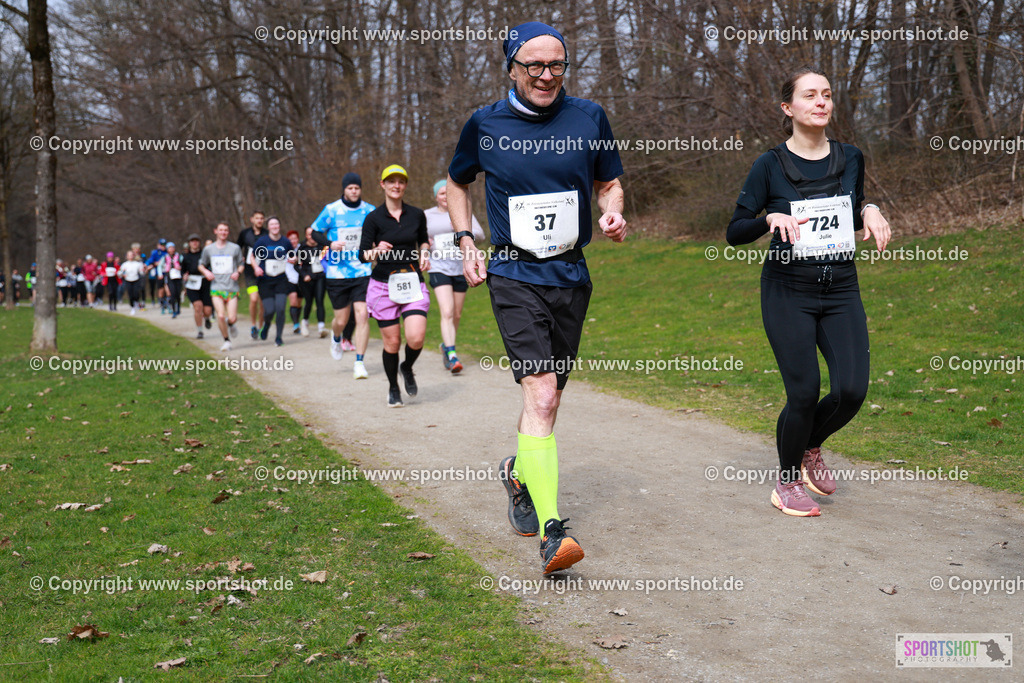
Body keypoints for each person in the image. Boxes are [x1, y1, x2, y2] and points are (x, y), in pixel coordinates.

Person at [448, 22, 627, 573]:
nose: (547, 76)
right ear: (512, 68)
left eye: (557, 65)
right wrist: (464, 241)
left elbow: (608, 182)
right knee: (542, 394)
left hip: (571, 274)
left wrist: (613, 210)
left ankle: (520, 472)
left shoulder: (589, 117)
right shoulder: (485, 124)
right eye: (535, 66)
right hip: (513, 272)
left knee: (549, 397)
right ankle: (553, 533)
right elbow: (457, 183)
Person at [727, 67, 891, 517]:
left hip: (840, 288)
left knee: (852, 390)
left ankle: (809, 445)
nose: (821, 102)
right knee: (803, 392)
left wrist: (871, 209)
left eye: (827, 95)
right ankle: (786, 482)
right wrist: (768, 220)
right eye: (809, 96)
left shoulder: (851, 156)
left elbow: (850, 210)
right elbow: (735, 231)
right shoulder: (769, 165)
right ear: (788, 108)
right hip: (787, 291)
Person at [359, 164, 430, 406]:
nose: (396, 185)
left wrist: (425, 253)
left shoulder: (416, 214)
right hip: (382, 286)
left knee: (416, 337)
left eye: (400, 181)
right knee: (392, 342)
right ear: (383, 185)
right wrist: (376, 250)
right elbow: (362, 255)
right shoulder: (373, 218)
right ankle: (393, 387)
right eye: (391, 181)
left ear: (405, 185)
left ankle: (407, 366)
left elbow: (423, 241)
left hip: (411, 281)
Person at [310, 172, 375, 379]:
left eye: (357, 188)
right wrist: (330, 244)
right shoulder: (332, 210)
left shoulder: (370, 211)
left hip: (362, 271)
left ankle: (359, 362)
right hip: (337, 273)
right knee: (341, 319)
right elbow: (314, 232)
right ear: (344, 189)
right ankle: (336, 336)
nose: (354, 191)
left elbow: (378, 233)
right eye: (350, 188)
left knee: (362, 315)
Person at [426, 178, 484, 373]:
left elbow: (481, 234)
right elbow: (417, 235)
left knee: (456, 314)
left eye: (447, 193)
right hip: (438, 267)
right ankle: (452, 354)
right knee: (448, 311)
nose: (445, 197)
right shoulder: (427, 215)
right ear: (436, 196)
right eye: (441, 193)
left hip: (460, 268)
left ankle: (445, 345)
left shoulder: (462, 212)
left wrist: (461, 229)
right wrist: (425, 242)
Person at [199, 222, 245, 351]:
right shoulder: (209, 249)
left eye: (226, 230)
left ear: (228, 232)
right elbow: (201, 264)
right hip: (216, 287)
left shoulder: (234, 248)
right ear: (216, 231)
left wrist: (238, 272)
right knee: (220, 315)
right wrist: (206, 272)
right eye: (221, 230)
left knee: (232, 318)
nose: (223, 232)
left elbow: (241, 263)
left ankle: (231, 325)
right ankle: (226, 341)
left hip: (231, 288)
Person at [253, 216, 294, 346]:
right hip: (265, 280)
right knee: (269, 310)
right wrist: (256, 268)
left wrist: (294, 259)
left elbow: (293, 256)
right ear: (268, 227)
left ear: (279, 226)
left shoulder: (285, 242)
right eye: (272, 224)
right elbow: (252, 256)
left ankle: (278, 337)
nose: (275, 226)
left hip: (281, 279)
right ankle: (266, 325)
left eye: (277, 224)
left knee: (281, 308)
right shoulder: (262, 241)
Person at [237, 210, 266, 339]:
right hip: (250, 272)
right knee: (254, 299)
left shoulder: (267, 234)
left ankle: (260, 327)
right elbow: (237, 248)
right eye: (257, 218)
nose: (259, 220)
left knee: (263, 303)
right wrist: (240, 259)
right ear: (252, 219)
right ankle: (253, 325)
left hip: (264, 271)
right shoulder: (245, 233)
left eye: (261, 218)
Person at [296, 227, 327, 337]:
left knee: (319, 301)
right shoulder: (302, 248)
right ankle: (304, 322)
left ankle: (321, 327)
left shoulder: (322, 246)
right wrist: (304, 275)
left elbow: (327, 260)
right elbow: (296, 265)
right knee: (308, 301)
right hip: (307, 279)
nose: (312, 237)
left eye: (313, 234)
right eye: (309, 235)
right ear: (306, 236)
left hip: (320, 277)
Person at [182, 233, 214, 338]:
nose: (194, 243)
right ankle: (200, 331)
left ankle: (207, 318)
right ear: (189, 243)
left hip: (205, 283)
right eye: (192, 241)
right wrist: (184, 276)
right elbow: (183, 271)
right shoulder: (186, 257)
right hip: (192, 284)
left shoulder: (204, 254)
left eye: (196, 241)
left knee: (207, 311)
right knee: (198, 307)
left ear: (199, 243)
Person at [284, 230, 304, 334]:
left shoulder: (302, 248)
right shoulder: (284, 250)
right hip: (289, 279)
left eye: (295, 238)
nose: (293, 241)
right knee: (293, 301)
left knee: (299, 303)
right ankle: (295, 324)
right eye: (290, 239)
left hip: (300, 279)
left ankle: (297, 322)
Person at [118, 250, 147, 314]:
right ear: (127, 256)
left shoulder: (138, 264)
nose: (130, 256)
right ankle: (132, 307)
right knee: (130, 295)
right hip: (128, 280)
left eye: (132, 255)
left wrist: (144, 269)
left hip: (136, 280)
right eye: (129, 255)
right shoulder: (124, 264)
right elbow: (119, 273)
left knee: (136, 294)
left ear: (134, 256)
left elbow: (142, 273)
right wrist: (122, 274)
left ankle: (137, 302)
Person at [144, 238, 168, 312]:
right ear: (159, 245)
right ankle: (161, 302)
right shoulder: (156, 252)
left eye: (164, 245)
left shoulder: (168, 252)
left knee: (167, 288)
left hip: (167, 273)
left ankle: (168, 301)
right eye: (162, 245)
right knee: (161, 288)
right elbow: (150, 260)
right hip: (159, 273)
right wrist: (146, 264)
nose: (163, 246)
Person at [161, 242, 184, 318]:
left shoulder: (179, 256)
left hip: (178, 277)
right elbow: (159, 266)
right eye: (169, 248)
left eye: (172, 247)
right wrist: (160, 274)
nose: (171, 249)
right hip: (170, 277)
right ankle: (174, 311)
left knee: (178, 294)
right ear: (167, 249)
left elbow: (184, 265)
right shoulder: (165, 257)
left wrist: (181, 268)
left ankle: (178, 308)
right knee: (172, 294)